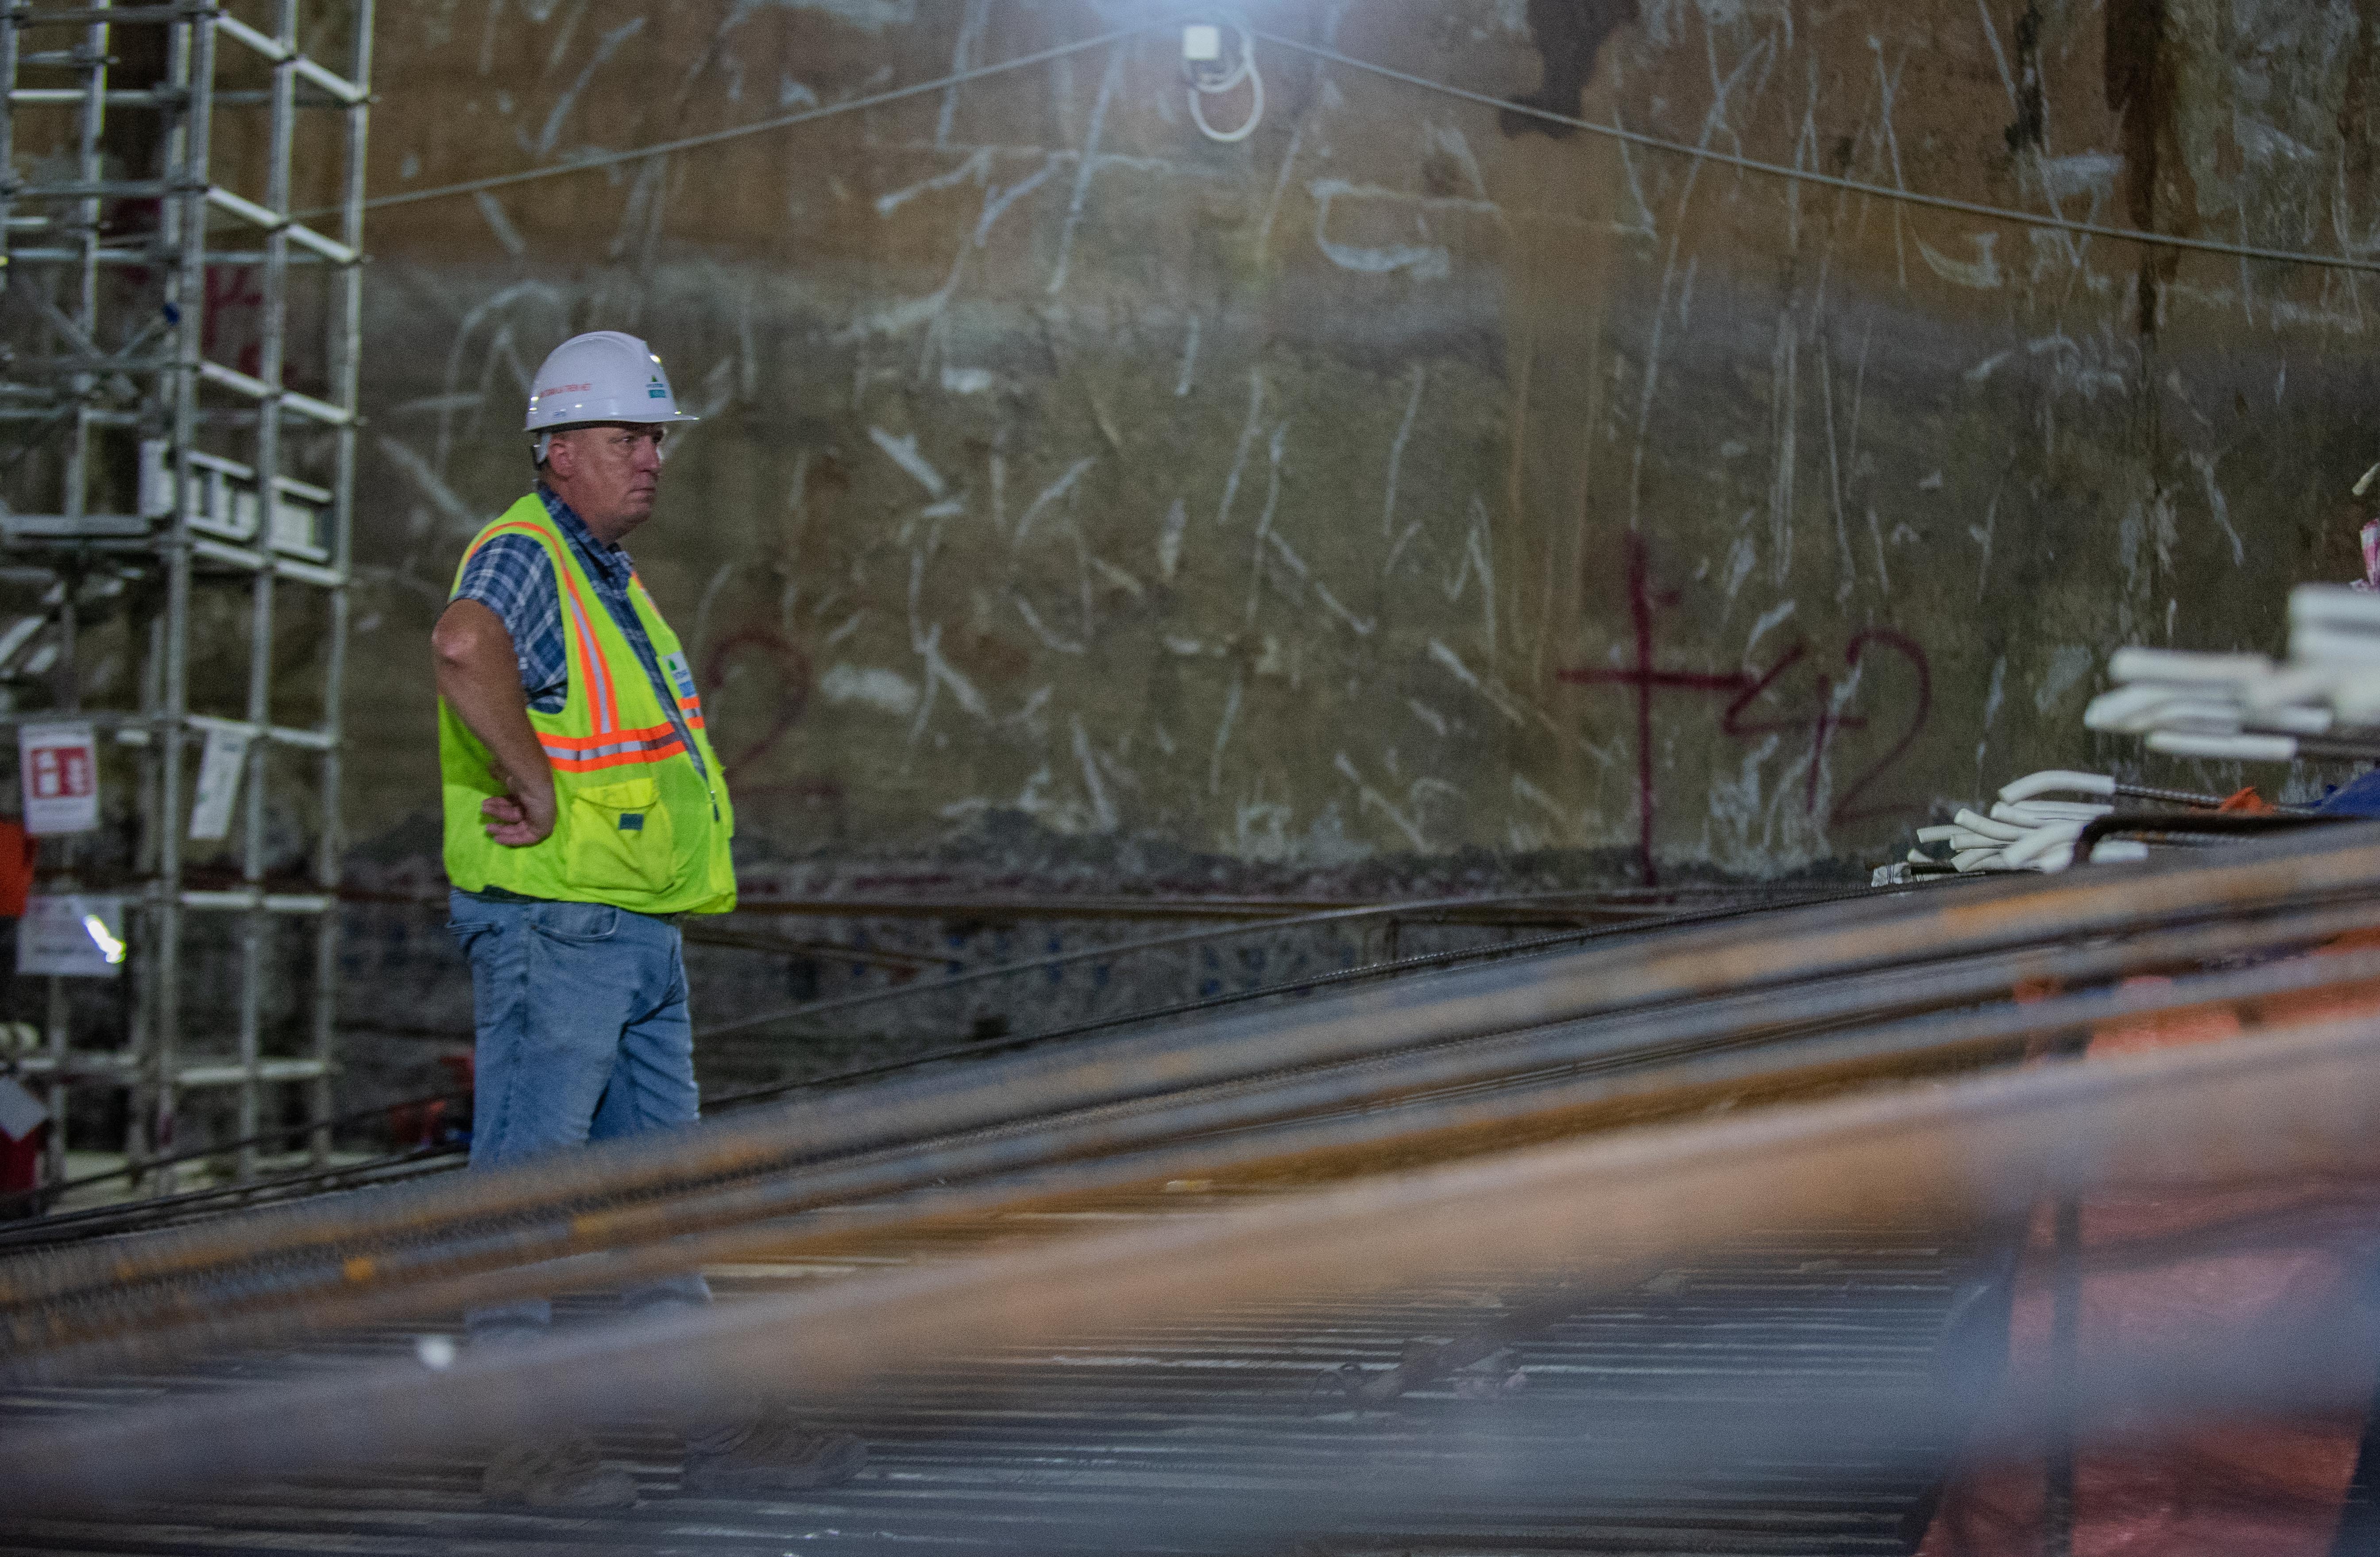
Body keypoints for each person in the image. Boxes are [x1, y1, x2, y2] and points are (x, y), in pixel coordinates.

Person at [431, 330, 864, 1508]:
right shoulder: (526, 555)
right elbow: (464, 646)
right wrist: (529, 778)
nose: (652, 460)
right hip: (556, 929)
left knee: (659, 1198)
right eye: (628, 438)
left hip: (628, 937)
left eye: (656, 439)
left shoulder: (606, 581)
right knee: (525, 1193)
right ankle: (515, 1438)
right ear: (558, 450)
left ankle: (706, 1422)